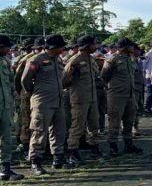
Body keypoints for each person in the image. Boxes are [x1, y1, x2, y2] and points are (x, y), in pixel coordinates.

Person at [21, 34, 68, 175]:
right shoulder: (36, 60)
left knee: (59, 131)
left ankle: (58, 159)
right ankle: (36, 162)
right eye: (61, 46)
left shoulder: (57, 59)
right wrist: (35, 94)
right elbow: (25, 80)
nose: (63, 48)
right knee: (39, 132)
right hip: (42, 102)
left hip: (58, 101)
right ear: (53, 47)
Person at [63, 35, 104, 163]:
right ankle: (72, 152)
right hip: (79, 98)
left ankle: (94, 148)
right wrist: (74, 88)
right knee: (77, 126)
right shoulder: (74, 60)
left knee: (94, 125)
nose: (95, 47)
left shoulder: (90, 59)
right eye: (93, 44)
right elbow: (64, 79)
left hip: (91, 97)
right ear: (86, 46)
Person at [101, 38, 143, 155]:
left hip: (130, 95)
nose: (133, 48)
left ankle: (128, 144)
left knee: (129, 121)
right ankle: (113, 146)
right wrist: (111, 89)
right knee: (114, 122)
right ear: (125, 47)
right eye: (131, 46)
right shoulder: (112, 59)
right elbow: (104, 77)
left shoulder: (130, 59)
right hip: (116, 96)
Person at [0, 35, 23, 180]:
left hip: (5, 106)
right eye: (6, 46)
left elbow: (10, 84)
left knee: (6, 138)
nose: (9, 49)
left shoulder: (5, 61)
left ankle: (5, 169)